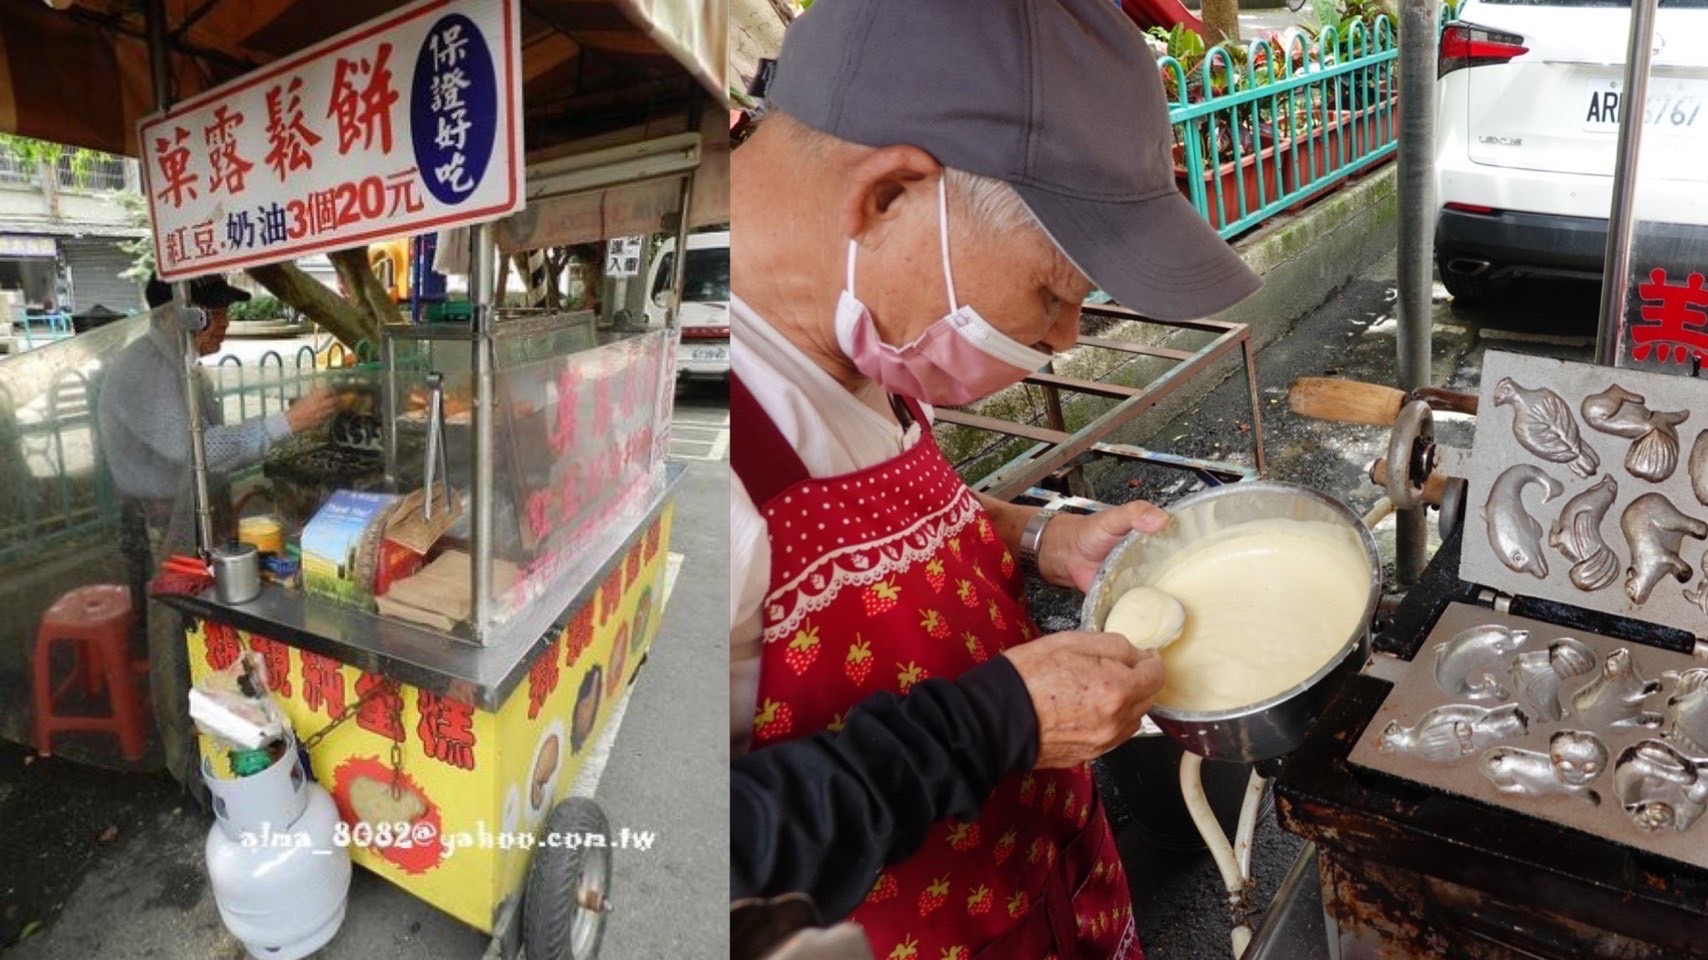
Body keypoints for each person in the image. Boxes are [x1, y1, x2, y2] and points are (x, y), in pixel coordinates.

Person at [729, 1, 1263, 956]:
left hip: (1048, 897)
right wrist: (993, 722)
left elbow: (875, 517)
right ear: (889, 194)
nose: (1062, 340)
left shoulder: (861, 330)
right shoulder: (692, 442)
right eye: (1055, 294)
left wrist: (1034, 533)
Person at [98, 274, 337, 785]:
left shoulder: (184, 367)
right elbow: (195, 450)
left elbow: (210, 452)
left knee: (202, 620)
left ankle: (215, 716)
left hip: (193, 508)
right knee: (170, 626)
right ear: (185, 316)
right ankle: (183, 761)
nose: (225, 326)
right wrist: (287, 423)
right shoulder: (141, 370)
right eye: (219, 315)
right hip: (158, 519)